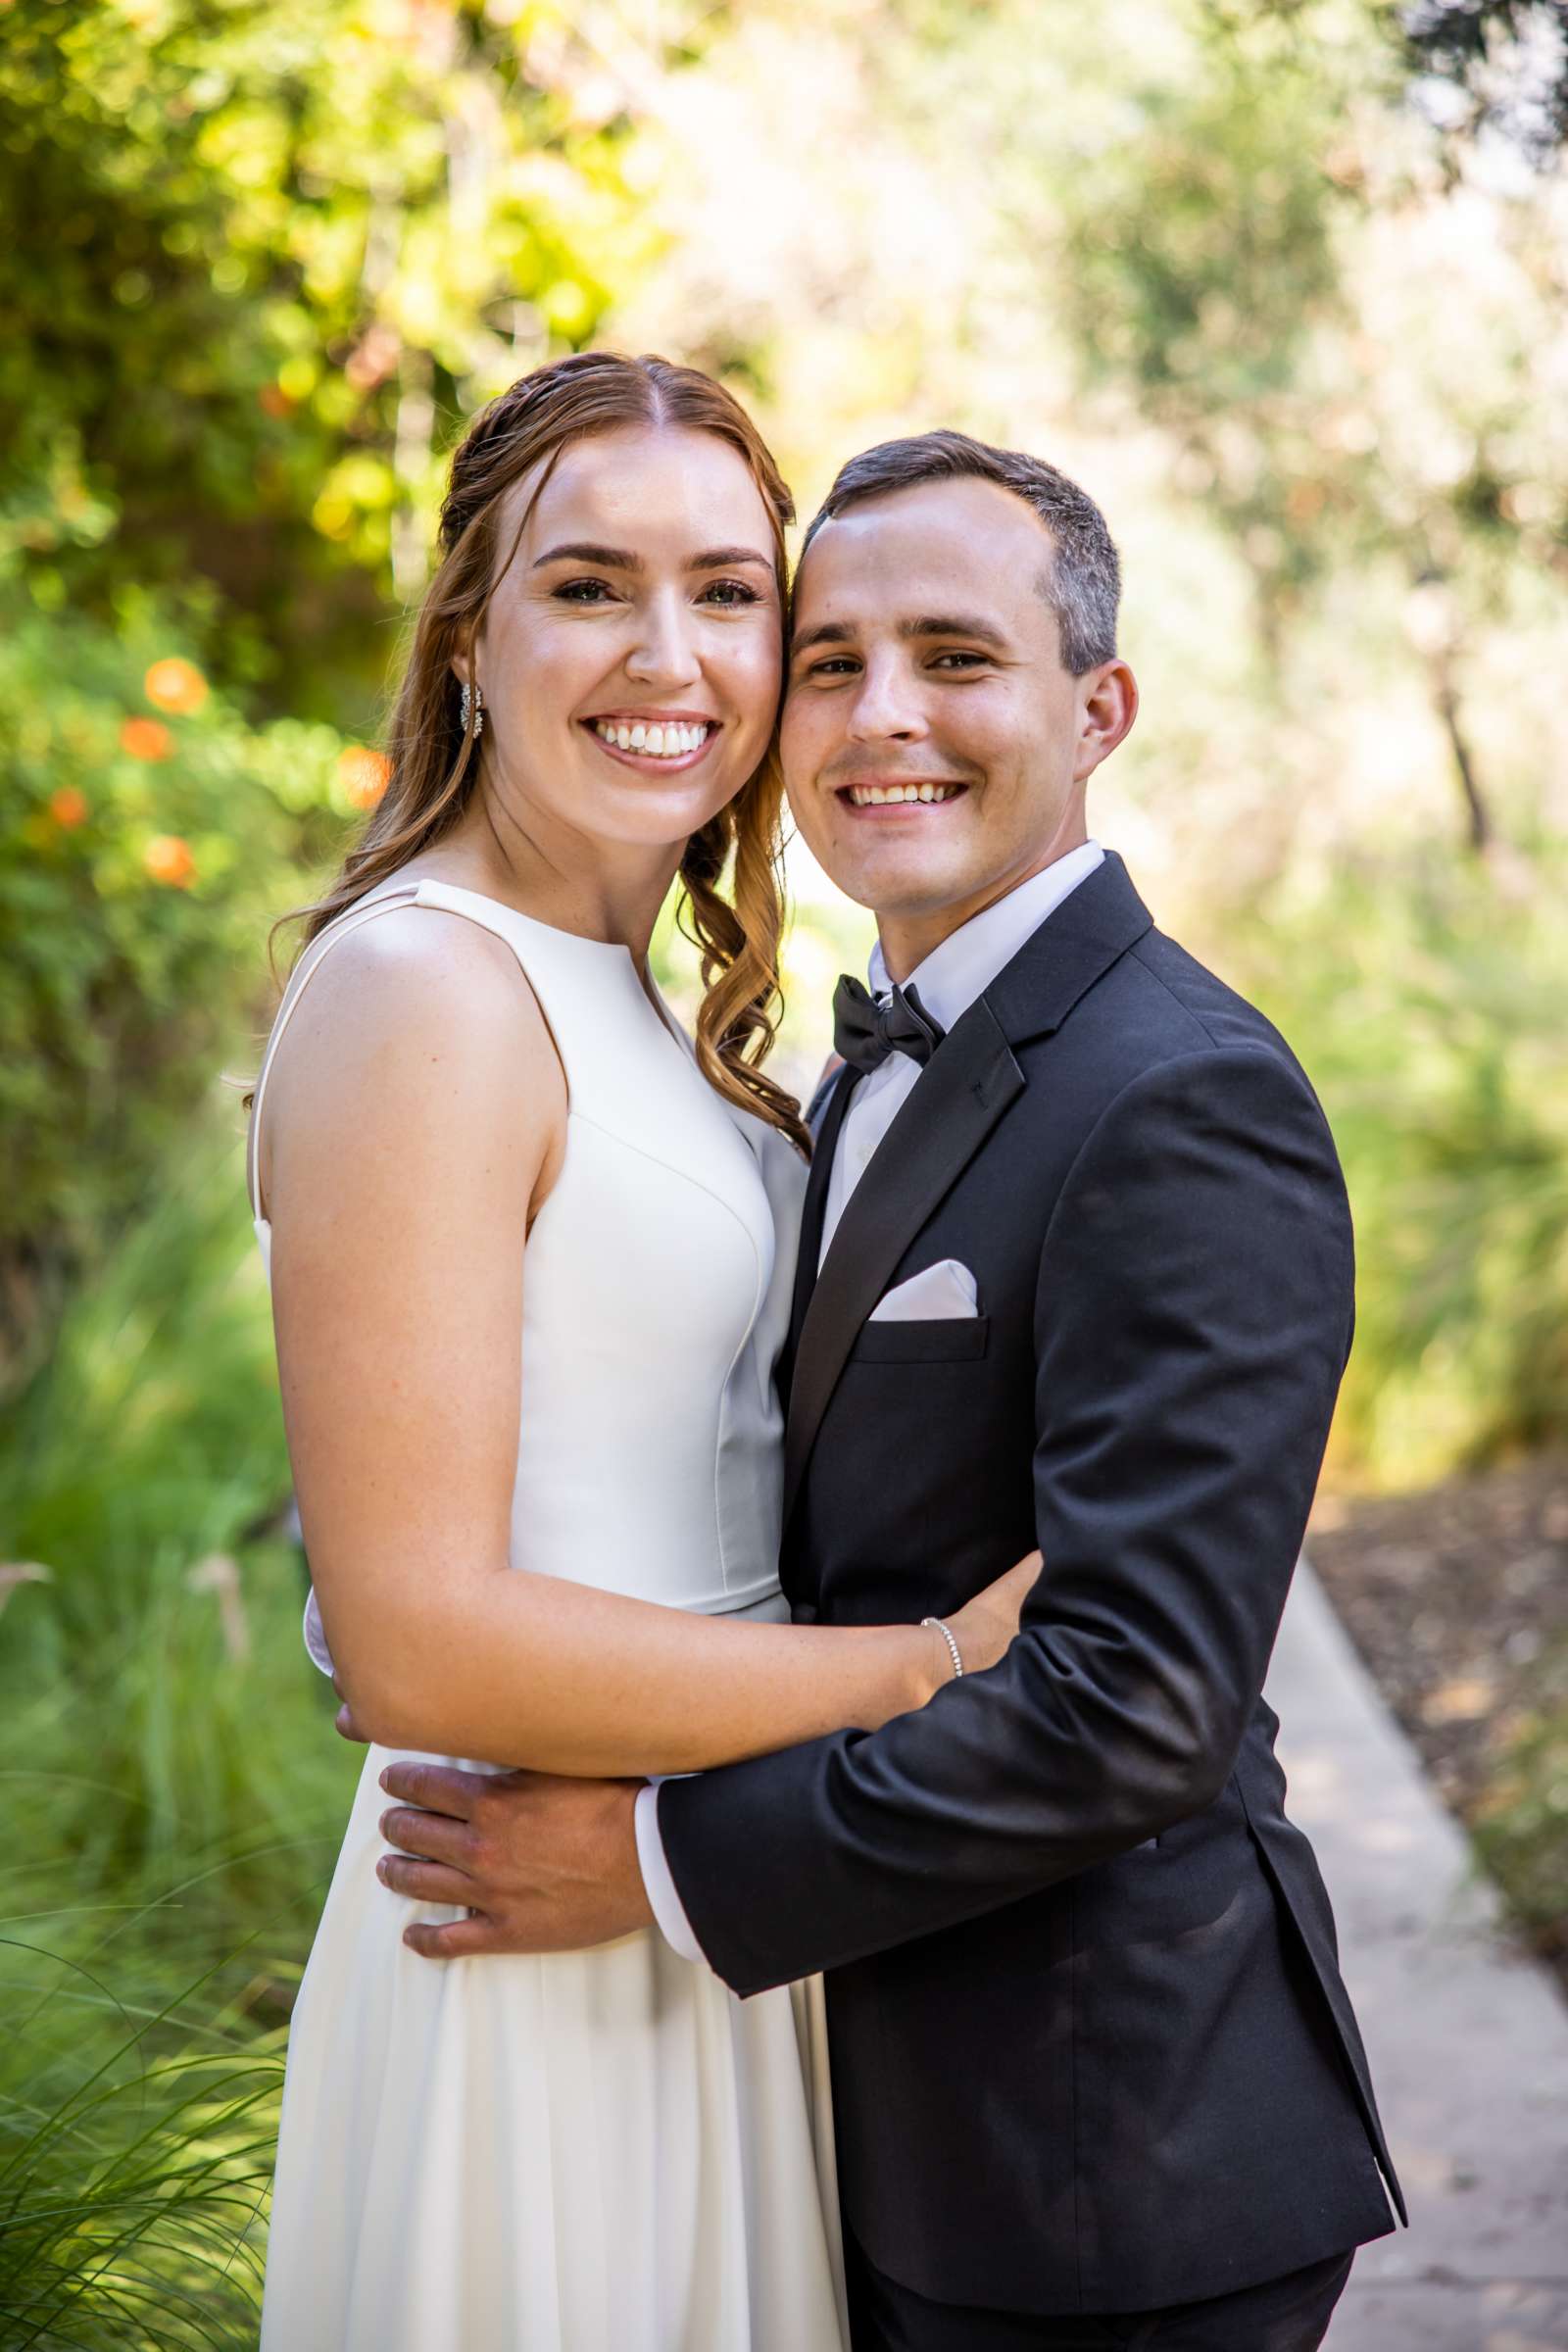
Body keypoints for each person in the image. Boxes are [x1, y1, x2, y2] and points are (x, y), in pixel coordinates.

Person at [375, 429, 1407, 2351]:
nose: (880, 716)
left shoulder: (1178, 1094)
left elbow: (1135, 1705)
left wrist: (660, 1864)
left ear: (1094, 707)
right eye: (831, 659)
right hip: (851, 2106)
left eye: (952, 655)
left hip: (1097, 2152)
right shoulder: (853, 1065)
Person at [248, 359, 1037, 2352]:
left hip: (685, 1897)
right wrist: (924, 1674)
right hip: (524, 1922)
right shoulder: (426, 984)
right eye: (587, 586)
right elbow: (417, 1636)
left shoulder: (641, 999)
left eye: (724, 590)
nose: (664, 653)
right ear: (469, 642)